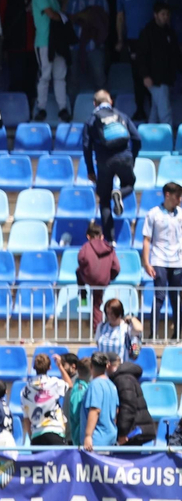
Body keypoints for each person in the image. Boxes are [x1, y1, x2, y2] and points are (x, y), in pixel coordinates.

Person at [85, 90, 141, 240]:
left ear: (94, 104)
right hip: (124, 157)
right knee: (129, 183)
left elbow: (86, 147)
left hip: (104, 162)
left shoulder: (92, 120)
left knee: (104, 200)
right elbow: (137, 138)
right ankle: (120, 194)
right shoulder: (121, 115)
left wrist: (90, 170)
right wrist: (132, 158)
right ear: (111, 102)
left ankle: (110, 240)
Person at [117, 0, 165, 120]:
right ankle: (139, 109)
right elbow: (120, 17)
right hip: (134, 39)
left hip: (153, 38)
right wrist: (120, 39)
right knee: (138, 74)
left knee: (155, 72)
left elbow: (164, 10)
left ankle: (154, 110)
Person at [142, 181, 182, 333]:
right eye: (177, 196)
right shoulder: (153, 214)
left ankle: (177, 333)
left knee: (176, 298)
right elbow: (146, 239)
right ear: (168, 195)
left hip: (177, 262)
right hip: (159, 259)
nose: (180, 200)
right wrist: (146, 262)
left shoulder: (180, 214)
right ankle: (153, 333)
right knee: (159, 296)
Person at [33, 0, 70, 122]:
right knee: (45, 75)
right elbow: (52, 14)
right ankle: (41, 108)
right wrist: (64, 17)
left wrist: (64, 8)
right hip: (44, 41)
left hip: (58, 42)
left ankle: (63, 109)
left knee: (60, 75)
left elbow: (59, 14)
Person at [66, 0, 110, 92]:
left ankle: (103, 108)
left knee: (100, 79)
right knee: (73, 80)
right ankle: (72, 108)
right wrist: (83, 14)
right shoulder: (72, 0)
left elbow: (103, 22)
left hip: (95, 46)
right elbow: (68, 19)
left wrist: (87, 17)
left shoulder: (101, 0)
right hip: (75, 47)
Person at [108, 352, 157, 445]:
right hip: (132, 430)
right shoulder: (124, 377)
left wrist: (123, 433)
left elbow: (128, 407)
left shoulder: (122, 379)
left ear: (108, 365)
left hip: (131, 432)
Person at [22, 353, 69, 446]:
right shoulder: (54, 383)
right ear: (49, 367)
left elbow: (26, 419)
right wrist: (60, 366)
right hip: (55, 431)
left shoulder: (24, 390)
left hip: (36, 436)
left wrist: (32, 436)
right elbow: (69, 384)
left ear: (34, 368)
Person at [77, 221, 120, 311]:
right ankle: (97, 324)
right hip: (104, 280)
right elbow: (116, 267)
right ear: (102, 236)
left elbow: (81, 260)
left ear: (88, 236)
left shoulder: (85, 247)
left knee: (78, 271)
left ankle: (83, 299)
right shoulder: (109, 248)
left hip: (90, 278)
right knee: (97, 305)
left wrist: (88, 271)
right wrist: (109, 277)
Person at [83, 351, 121, 448]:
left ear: (91, 366)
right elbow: (116, 411)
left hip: (96, 440)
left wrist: (88, 436)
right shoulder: (112, 385)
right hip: (110, 438)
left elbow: (95, 410)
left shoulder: (95, 385)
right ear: (107, 366)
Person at [95, 295, 144, 363]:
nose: (110, 316)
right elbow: (98, 344)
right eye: (108, 313)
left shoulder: (126, 328)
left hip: (121, 368)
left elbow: (139, 329)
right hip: (104, 368)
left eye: (112, 313)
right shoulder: (101, 327)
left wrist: (131, 318)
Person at [61, 351, 92, 447]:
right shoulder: (79, 389)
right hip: (76, 439)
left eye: (63, 365)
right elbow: (75, 416)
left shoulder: (84, 386)